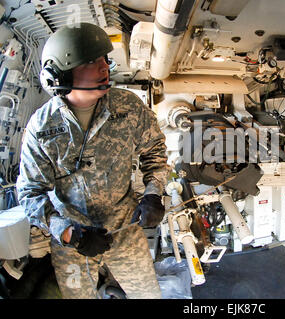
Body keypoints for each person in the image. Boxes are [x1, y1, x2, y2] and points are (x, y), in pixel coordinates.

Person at [16, 23, 170, 299]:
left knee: (148, 295)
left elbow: (155, 152)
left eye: (104, 59)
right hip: (73, 237)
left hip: (125, 225)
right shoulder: (41, 127)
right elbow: (29, 193)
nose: (104, 67)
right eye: (91, 61)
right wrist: (68, 234)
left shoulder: (129, 106)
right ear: (61, 73)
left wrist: (153, 194)